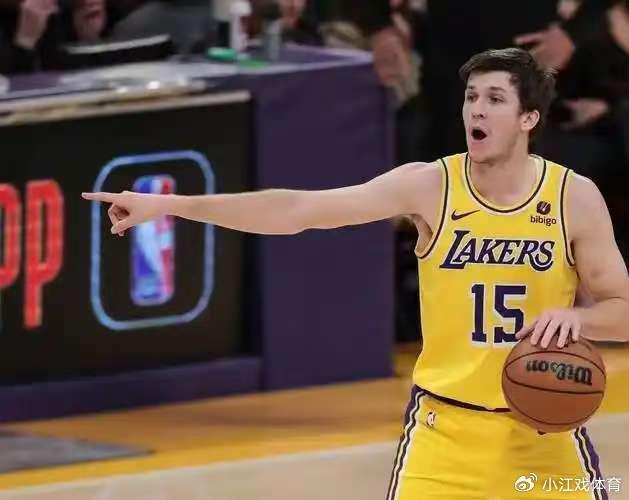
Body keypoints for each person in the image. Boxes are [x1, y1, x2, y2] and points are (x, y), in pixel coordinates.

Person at [82, 47, 629, 499]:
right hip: (445, 435)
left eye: (494, 99)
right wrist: (173, 206)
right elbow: (298, 209)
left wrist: (578, 321)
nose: (476, 112)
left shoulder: (573, 198)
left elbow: (623, 313)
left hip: (545, 434)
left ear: (529, 119)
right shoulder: (430, 186)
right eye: (470, 98)